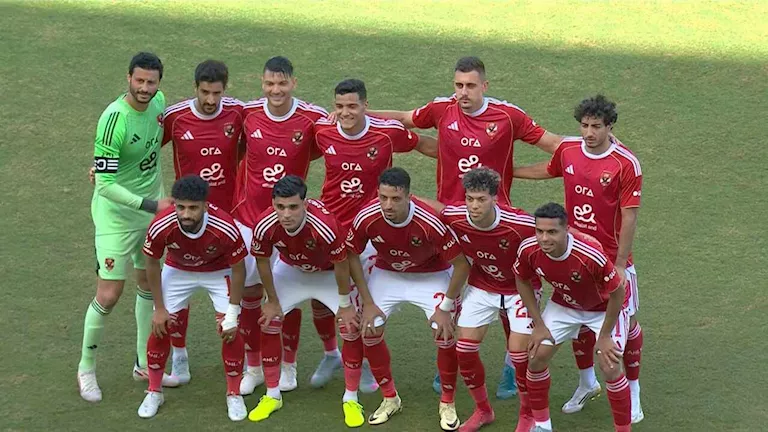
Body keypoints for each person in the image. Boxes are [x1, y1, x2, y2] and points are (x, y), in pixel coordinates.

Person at [369, 56, 563, 397]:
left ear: (484, 86)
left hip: (496, 222)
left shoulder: (507, 116)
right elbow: (405, 119)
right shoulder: (442, 109)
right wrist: (359, 114)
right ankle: (451, 360)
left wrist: (598, 149)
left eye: (471, 86)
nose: (463, 92)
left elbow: (555, 145)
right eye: (458, 85)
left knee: (506, 288)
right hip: (451, 219)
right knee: (457, 287)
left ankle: (511, 365)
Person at [514, 95, 644, 422]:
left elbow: (629, 217)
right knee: (577, 316)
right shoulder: (569, 150)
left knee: (625, 326)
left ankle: (633, 388)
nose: (588, 132)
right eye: (584, 125)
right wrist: (510, 173)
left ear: (610, 126)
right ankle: (587, 384)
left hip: (611, 260)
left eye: (596, 126)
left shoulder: (625, 163)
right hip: (572, 253)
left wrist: (620, 262)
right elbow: (549, 169)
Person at [231, 56, 347, 394]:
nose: (276, 90)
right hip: (249, 220)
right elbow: (231, 147)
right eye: (270, 83)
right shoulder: (247, 113)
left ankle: (288, 366)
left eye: (282, 83)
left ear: (293, 83)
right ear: (262, 83)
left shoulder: (312, 117)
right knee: (251, 293)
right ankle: (253, 368)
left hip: (290, 224)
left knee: (287, 297)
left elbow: (335, 141)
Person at [79, 52, 178, 402]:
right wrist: (152, 205)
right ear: (128, 78)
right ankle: (86, 368)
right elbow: (105, 185)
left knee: (148, 282)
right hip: (117, 218)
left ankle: (143, 364)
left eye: (151, 82)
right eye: (139, 81)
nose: (145, 88)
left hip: (149, 215)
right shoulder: (114, 119)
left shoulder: (159, 103)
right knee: (109, 294)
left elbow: (154, 139)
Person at [347, 167, 471, 430]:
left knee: (444, 331)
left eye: (395, 199)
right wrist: (367, 302)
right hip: (388, 273)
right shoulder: (366, 217)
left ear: (409, 196)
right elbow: (352, 256)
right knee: (369, 328)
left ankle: (447, 402)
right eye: (383, 197)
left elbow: (461, 265)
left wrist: (446, 307)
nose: (388, 205)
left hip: (431, 275)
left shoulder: (430, 221)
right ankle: (390, 398)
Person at [245, 176, 368, 428]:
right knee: (269, 321)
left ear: (305, 203)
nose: (286, 214)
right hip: (293, 271)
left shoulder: (325, 225)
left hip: (328, 274)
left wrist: (345, 304)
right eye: (280, 207)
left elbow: (341, 264)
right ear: (273, 204)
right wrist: (272, 300)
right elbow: (262, 261)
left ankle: (351, 398)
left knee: (350, 327)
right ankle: (272, 395)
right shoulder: (265, 224)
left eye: (293, 207)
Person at [158, 59, 244, 384]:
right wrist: (105, 167)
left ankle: (247, 365)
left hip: (227, 221)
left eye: (216, 93)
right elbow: (146, 150)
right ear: (195, 87)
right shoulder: (176, 117)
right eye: (205, 92)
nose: (210, 100)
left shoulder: (237, 113)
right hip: (186, 220)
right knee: (179, 287)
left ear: (226, 89)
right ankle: (179, 357)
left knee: (239, 293)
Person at [435, 167, 540, 432]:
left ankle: (528, 414)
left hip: (520, 289)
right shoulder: (456, 216)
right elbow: (436, 209)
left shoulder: (520, 224)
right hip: (483, 286)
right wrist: (408, 198)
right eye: (470, 199)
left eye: (481, 199)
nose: (474, 206)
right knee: (464, 350)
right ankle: (483, 410)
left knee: (519, 354)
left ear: (495, 199)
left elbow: (557, 232)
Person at [138, 175, 248, 421]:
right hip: (178, 270)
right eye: (181, 207)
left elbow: (239, 269)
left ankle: (234, 393)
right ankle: (154, 391)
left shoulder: (224, 226)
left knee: (230, 329)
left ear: (205, 206)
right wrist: (159, 308)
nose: (186, 214)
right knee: (160, 326)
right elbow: (151, 263)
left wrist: (232, 314)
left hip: (217, 271)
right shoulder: (161, 224)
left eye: (193, 208)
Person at [514, 203, 631, 432]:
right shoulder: (528, 249)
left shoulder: (590, 254)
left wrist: (605, 336)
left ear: (566, 230)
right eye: (539, 231)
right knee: (536, 357)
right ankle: (542, 426)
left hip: (604, 308)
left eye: (552, 232)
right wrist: (538, 324)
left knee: (610, 366)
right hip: (565, 303)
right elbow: (522, 280)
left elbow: (618, 293)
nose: (544, 238)